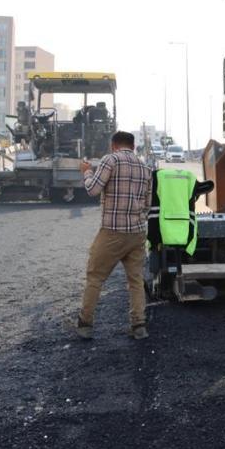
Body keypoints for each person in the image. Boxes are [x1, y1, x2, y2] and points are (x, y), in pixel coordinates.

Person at [74, 131, 152, 340]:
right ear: (133, 146)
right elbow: (147, 204)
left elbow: (92, 190)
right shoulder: (145, 167)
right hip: (137, 233)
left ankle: (85, 324)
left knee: (95, 277)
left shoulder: (110, 160)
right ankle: (139, 326)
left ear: (113, 145)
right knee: (135, 280)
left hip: (112, 232)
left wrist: (87, 172)